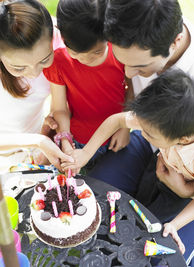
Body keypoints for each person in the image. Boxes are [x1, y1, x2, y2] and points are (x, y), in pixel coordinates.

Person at [84, 0, 194, 265]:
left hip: (190, 180)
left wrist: (186, 191)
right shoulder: (133, 39)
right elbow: (125, 115)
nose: (127, 72)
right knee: (90, 202)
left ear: (176, 40)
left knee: (164, 256)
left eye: (141, 67)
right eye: (122, 60)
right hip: (152, 141)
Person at [61, 68, 194, 259]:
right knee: (131, 211)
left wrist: (175, 224)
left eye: (149, 134)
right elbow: (117, 121)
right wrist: (85, 152)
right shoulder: (161, 120)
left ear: (183, 139)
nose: (142, 133)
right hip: (159, 167)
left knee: (148, 235)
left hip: (181, 200)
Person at [43, 0, 152, 183]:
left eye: (96, 52)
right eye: (76, 53)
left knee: (105, 188)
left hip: (114, 140)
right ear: (62, 37)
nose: (86, 60)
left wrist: (124, 127)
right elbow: (60, 108)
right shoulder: (59, 63)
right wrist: (65, 140)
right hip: (76, 138)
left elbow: (130, 90)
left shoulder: (120, 54)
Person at [0, 0, 72, 171]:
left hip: (33, 148)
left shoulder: (59, 39)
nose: (34, 73)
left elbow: (63, 104)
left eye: (44, 60)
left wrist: (51, 133)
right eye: (19, 67)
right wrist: (37, 141)